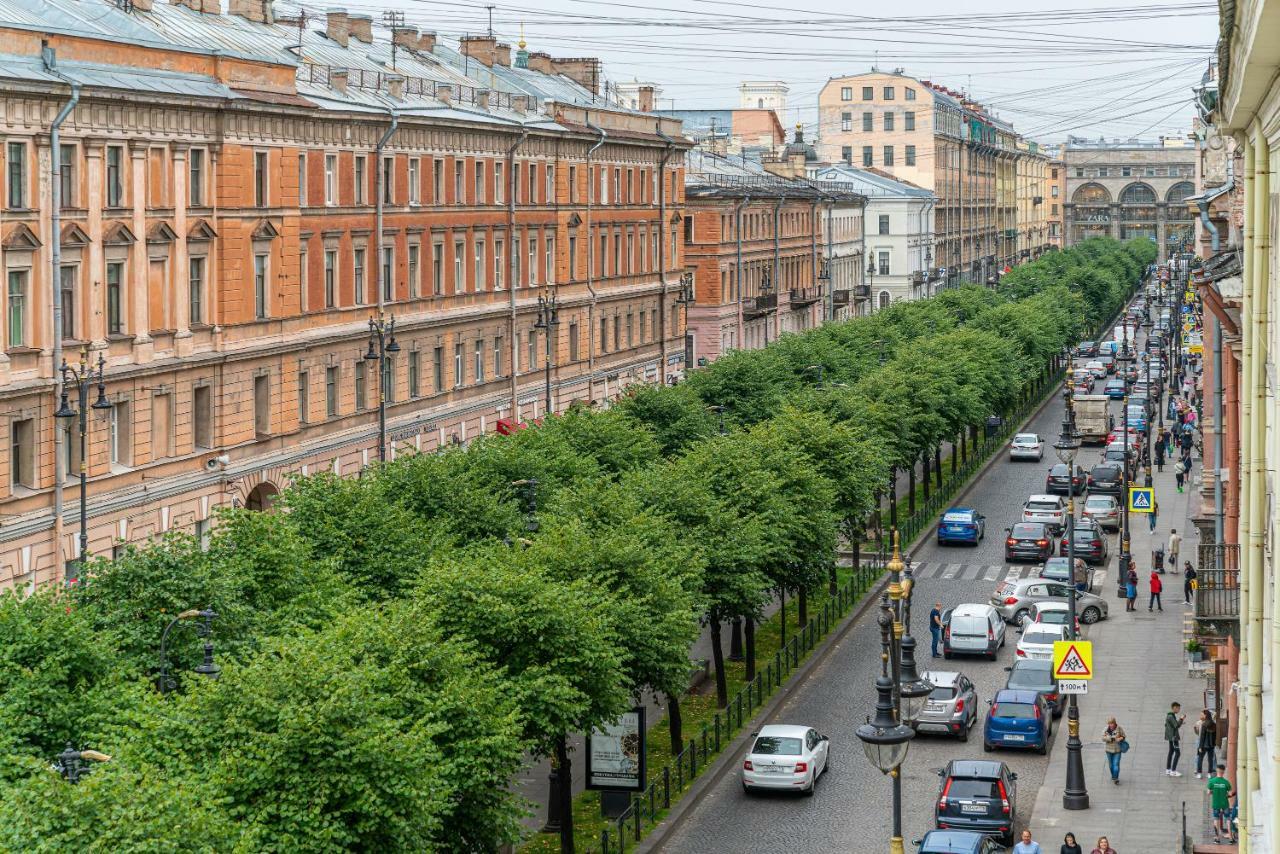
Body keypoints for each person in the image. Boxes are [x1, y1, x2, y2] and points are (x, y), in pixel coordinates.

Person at [1207, 764, 1234, 843]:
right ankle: (1231, 838)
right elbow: (1230, 794)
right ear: (1223, 772)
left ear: (1217, 771)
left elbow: (1208, 792)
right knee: (1228, 819)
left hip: (1216, 804)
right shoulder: (1226, 782)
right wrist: (1225, 794)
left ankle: (1217, 838)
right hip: (1225, 804)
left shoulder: (1211, 781)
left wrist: (1213, 791)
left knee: (1216, 819)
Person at [1195, 709, 1218, 778]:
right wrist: (1214, 744)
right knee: (1210, 760)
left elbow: (1202, 737)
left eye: (1202, 714)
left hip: (1204, 745)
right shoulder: (1213, 724)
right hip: (1211, 745)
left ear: (1205, 715)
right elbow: (1215, 735)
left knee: (1200, 759)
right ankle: (1209, 773)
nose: (1201, 715)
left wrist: (1200, 747)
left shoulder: (1203, 724)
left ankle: (1199, 773)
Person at [1103, 717, 1127, 783]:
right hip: (1108, 750)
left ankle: (1115, 778)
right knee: (1111, 765)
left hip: (1117, 750)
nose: (1111, 725)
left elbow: (1124, 736)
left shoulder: (1119, 728)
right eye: (1110, 723)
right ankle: (1113, 775)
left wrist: (1121, 738)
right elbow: (1103, 738)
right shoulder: (1106, 729)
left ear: (1115, 723)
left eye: (1112, 723)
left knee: (1116, 764)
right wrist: (1110, 738)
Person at [1164, 701, 1185, 776]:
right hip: (1173, 737)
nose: (1179, 710)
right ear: (1174, 708)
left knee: (1171, 752)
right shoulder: (1170, 716)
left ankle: (1168, 769)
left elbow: (1168, 724)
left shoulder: (1170, 715)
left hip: (1171, 737)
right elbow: (1176, 726)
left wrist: (1178, 721)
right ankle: (1173, 770)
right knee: (1178, 753)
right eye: (1178, 708)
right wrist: (1181, 719)